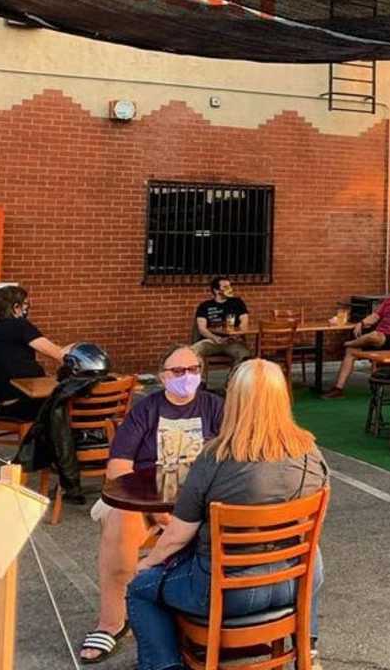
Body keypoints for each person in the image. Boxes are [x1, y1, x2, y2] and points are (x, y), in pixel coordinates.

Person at [127, 359, 328, 670]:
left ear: (235, 400)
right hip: (295, 585)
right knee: (313, 552)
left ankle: (164, 666)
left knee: (140, 588)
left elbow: (177, 536)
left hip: (227, 594)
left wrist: (146, 563)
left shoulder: (214, 458)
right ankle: (308, 648)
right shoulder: (310, 453)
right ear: (282, 397)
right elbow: (313, 528)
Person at [77, 345, 224, 665]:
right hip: (145, 499)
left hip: (199, 500)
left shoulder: (215, 407)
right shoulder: (146, 410)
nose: (187, 376)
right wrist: (156, 511)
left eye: (194, 369)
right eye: (178, 371)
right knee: (119, 519)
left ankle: (217, 610)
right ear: (162, 376)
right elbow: (118, 468)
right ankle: (111, 621)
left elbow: (232, 460)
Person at [323, 271, 390, 398]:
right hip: (380, 335)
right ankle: (338, 388)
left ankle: (346, 343)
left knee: (374, 335)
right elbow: (375, 316)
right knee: (351, 351)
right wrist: (361, 323)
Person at [0, 285, 73, 421]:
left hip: (7, 404)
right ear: (16, 307)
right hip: (24, 404)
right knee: (77, 396)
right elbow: (58, 354)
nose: (28, 309)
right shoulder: (19, 325)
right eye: (26, 304)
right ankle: (84, 432)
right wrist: (78, 349)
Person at [190, 277, 250, 369]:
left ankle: (235, 377)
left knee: (244, 354)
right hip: (211, 341)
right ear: (216, 290)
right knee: (192, 351)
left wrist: (236, 336)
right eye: (225, 287)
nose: (230, 289)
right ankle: (198, 377)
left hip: (232, 342)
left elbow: (244, 323)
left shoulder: (237, 303)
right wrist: (215, 338)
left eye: (230, 286)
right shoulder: (205, 306)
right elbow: (202, 329)